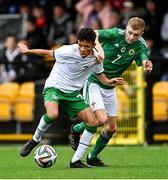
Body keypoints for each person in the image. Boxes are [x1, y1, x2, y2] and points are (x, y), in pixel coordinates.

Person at [18, 28, 125, 168]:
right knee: (53, 114)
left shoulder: (96, 58)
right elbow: (48, 53)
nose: (82, 49)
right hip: (54, 87)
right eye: (80, 44)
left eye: (86, 46)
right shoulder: (68, 51)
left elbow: (100, 74)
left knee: (93, 122)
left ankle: (76, 161)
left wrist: (108, 82)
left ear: (93, 45)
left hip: (73, 93)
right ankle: (34, 140)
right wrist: (28, 51)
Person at [70, 17, 153, 167]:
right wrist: (99, 48)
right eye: (130, 33)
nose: (132, 37)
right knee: (100, 120)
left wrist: (146, 66)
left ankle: (92, 157)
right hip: (94, 81)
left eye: (136, 35)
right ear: (126, 28)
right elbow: (94, 33)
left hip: (110, 86)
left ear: (142, 33)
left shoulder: (141, 46)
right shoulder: (115, 33)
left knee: (112, 127)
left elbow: (143, 61)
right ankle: (76, 132)